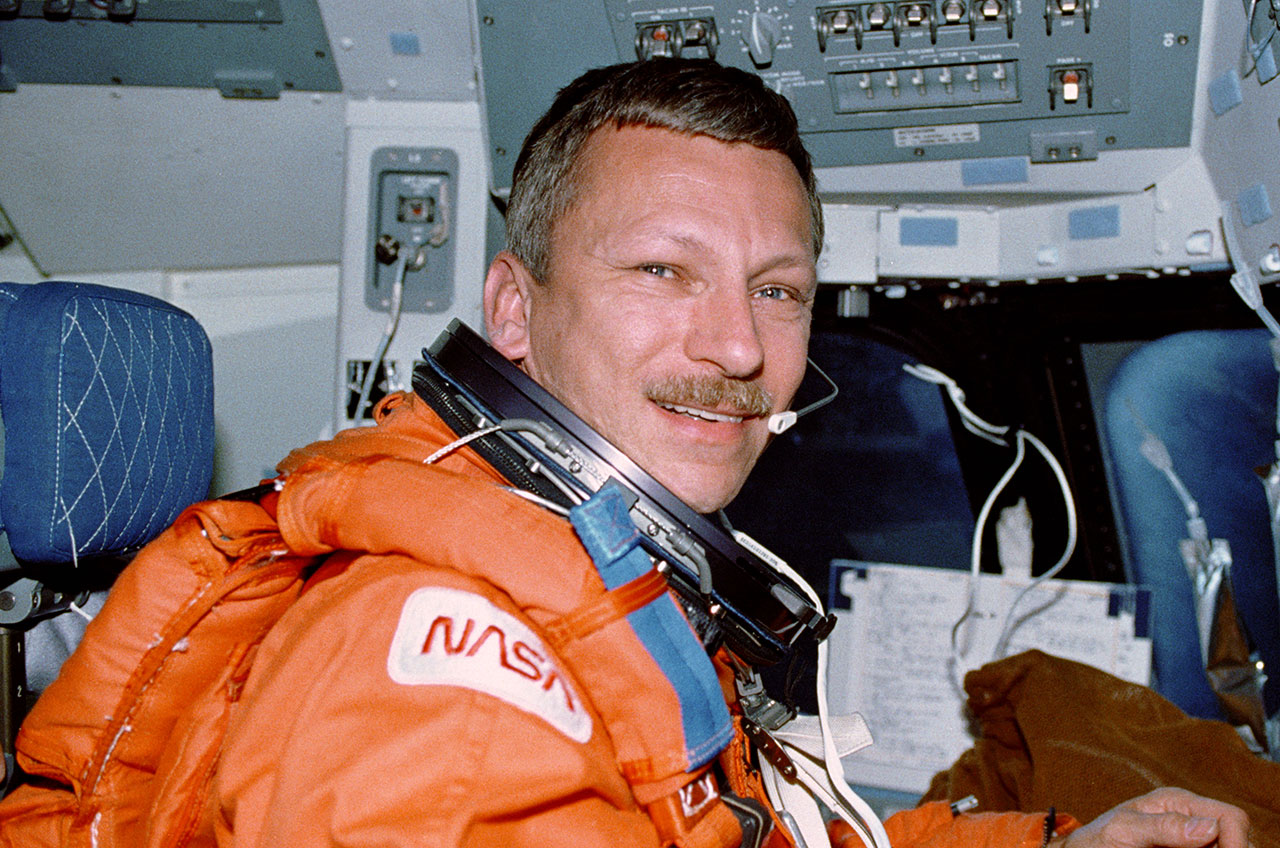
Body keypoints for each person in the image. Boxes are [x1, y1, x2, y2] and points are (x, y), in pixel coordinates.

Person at [0, 59, 1255, 848]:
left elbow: (774, 826)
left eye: (777, 290)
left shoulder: (588, 570)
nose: (735, 347)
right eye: (661, 270)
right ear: (512, 310)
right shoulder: (436, 659)